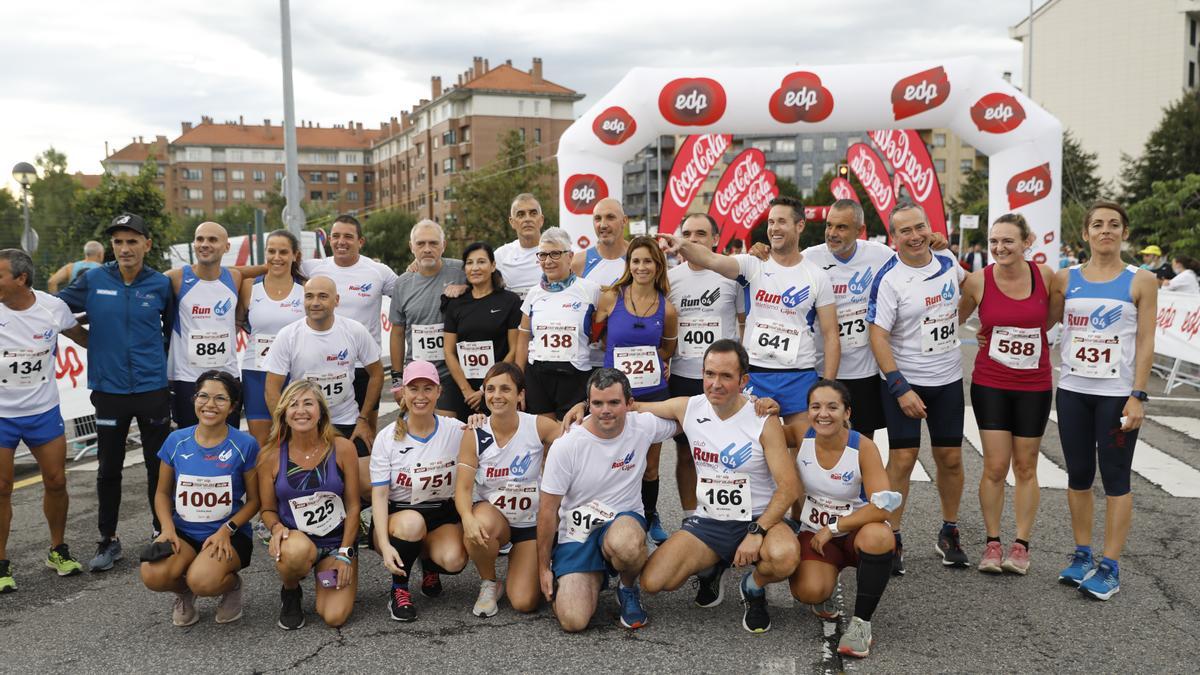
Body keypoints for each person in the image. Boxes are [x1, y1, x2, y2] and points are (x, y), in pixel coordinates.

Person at [637, 340, 801, 634]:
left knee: (785, 556)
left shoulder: (762, 418)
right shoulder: (689, 407)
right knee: (653, 582)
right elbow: (631, 406)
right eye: (710, 374)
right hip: (711, 521)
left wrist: (757, 532)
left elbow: (789, 488)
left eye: (726, 376)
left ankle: (753, 587)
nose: (716, 383)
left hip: (758, 518)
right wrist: (582, 406)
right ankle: (713, 567)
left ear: (743, 380)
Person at [1049, 201, 1156, 600]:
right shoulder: (1065, 278)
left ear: (1124, 232)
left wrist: (1138, 396)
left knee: (1115, 478)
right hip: (1074, 391)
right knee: (1077, 475)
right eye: (1098, 224)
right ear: (1086, 233)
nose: (1106, 230)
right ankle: (1082, 554)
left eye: (1114, 224)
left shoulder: (1141, 279)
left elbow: (1146, 341)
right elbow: (1042, 324)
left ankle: (1109, 566)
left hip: (1116, 396)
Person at [58, 213, 175, 572]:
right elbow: (57, 310)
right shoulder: (93, 278)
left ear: (147, 244)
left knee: (159, 465)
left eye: (132, 241)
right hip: (108, 390)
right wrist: (87, 340)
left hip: (152, 388)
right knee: (109, 467)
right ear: (112, 246)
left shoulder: (159, 285)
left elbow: (171, 330)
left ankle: (161, 531)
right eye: (118, 242)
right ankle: (108, 539)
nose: (125, 248)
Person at [658, 195, 840, 423]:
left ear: (799, 225)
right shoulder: (752, 264)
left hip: (799, 374)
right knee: (756, 451)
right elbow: (711, 259)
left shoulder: (817, 276)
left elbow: (831, 334)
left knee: (802, 450)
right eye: (771, 222)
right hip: (755, 373)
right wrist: (683, 245)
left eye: (782, 222)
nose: (774, 228)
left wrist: (828, 386)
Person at [537, 368, 680, 632]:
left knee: (625, 544)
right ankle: (588, 572)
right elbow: (547, 510)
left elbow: (691, 414)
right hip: (578, 533)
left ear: (629, 403)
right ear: (587, 404)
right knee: (573, 621)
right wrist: (543, 567)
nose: (606, 410)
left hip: (622, 522)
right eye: (597, 403)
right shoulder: (568, 444)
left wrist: (748, 405)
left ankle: (626, 588)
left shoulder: (643, 425)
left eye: (614, 402)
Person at [867, 202, 968, 574]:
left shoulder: (946, 260)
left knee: (951, 459)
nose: (914, 236)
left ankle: (949, 530)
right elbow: (877, 335)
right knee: (904, 460)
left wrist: (963, 321)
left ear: (929, 228)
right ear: (893, 238)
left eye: (919, 227)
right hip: (905, 381)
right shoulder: (889, 278)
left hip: (948, 379)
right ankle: (892, 536)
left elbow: (969, 290)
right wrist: (900, 387)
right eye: (905, 231)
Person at [958, 214, 1054, 575]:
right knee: (995, 466)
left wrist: (1020, 331)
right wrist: (986, 332)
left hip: (1034, 384)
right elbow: (958, 316)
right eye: (994, 241)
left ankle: (1022, 545)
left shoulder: (1045, 277)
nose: (999, 248)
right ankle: (992, 543)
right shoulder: (978, 280)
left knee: (1026, 466)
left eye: (1008, 241)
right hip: (991, 383)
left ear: (1027, 241)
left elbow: (1051, 318)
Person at [0, 249, 90, 591]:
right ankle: (1, 563)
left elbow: (82, 337)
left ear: (21, 279)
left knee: (56, 481)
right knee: (3, 489)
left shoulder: (53, 307)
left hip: (42, 411)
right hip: (2, 415)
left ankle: (57, 549)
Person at [139, 371, 259, 626]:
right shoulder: (176, 440)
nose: (210, 405)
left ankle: (231, 585)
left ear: (233, 406)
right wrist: (167, 529)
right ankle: (184, 593)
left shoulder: (245, 444)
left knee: (203, 580)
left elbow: (254, 501)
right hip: (183, 533)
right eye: (203, 396)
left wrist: (227, 530)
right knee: (152, 574)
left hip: (227, 535)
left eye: (220, 399)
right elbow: (161, 492)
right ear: (194, 399)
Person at [788, 380, 896, 660]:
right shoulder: (801, 433)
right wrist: (760, 407)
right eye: (816, 407)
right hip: (815, 532)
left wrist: (833, 527)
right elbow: (764, 435)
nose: (823, 414)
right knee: (809, 591)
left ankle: (861, 624)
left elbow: (883, 509)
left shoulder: (863, 447)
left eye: (832, 407)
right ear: (808, 411)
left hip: (854, 532)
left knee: (880, 536)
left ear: (847, 413)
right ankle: (824, 584)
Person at [454, 362, 562, 617]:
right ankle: (489, 582)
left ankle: (541, 563)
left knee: (524, 603)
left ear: (520, 394)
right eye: (490, 389)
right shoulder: (475, 432)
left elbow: (577, 445)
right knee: (478, 525)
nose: (497, 396)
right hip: (494, 518)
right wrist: (467, 518)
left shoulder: (538, 426)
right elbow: (462, 488)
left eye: (505, 389)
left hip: (529, 524)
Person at [594, 235, 678, 544]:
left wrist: (658, 363)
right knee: (612, 460)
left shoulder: (667, 309)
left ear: (658, 266)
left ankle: (650, 514)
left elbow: (668, 349)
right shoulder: (610, 297)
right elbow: (597, 336)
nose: (641, 267)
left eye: (648, 261)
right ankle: (610, 516)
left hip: (653, 394)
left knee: (650, 466)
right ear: (628, 265)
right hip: (613, 394)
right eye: (636, 261)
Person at [257, 380, 360, 630]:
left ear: (321, 411)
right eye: (293, 404)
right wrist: (276, 528)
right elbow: (268, 510)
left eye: (308, 403)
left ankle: (322, 577)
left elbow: (354, 506)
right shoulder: (270, 456)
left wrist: (345, 554)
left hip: (336, 545)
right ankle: (291, 590)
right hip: (298, 542)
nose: (300, 410)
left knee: (333, 615)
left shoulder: (343, 448)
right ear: (284, 413)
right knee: (295, 553)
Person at [369, 360, 467, 621]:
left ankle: (429, 563)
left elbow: (494, 434)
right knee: (412, 524)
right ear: (402, 393)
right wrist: (385, 543)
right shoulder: (387, 437)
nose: (420, 396)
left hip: (439, 513)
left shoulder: (456, 429)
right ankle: (398, 589)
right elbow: (378, 496)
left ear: (438, 392)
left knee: (454, 560)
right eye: (414, 389)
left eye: (428, 388)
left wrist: (480, 421)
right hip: (399, 516)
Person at [666, 213, 744, 530]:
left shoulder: (730, 274)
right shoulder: (670, 278)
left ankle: (728, 516)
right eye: (687, 232)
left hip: (723, 378)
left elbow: (744, 322)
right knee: (686, 453)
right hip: (686, 374)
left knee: (729, 452)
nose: (693, 239)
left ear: (715, 239)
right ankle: (691, 518)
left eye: (701, 233)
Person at [263, 276, 383, 481]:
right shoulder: (288, 335)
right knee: (308, 483)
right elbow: (271, 389)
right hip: (306, 424)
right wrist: (286, 426)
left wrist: (363, 419)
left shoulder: (354, 330)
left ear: (336, 300)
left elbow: (377, 373)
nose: (315, 302)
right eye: (309, 296)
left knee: (365, 484)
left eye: (322, 296)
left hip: (347, 421)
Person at [802, 199, 895, 438]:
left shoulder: (881, 255)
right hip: (821, 370)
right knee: (819, 444)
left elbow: (914, 266)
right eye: (829, 225)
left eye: (841, 227)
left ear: (859, 230)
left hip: (864, 373)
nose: (832, 233)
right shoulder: (808, 259)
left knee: (861, 444)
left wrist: (933, 244)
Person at [302, 214, 398, 433]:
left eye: (348, 236)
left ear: (360, 241)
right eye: (335, 236)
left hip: (365, 367)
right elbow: (274, 267)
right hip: (324, 366)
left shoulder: (379, 272)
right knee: (320, 432)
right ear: (329, 240)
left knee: (365, 433)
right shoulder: (312, 268)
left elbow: (409, 294)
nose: (340, 241)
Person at [515, 227, 601, 420]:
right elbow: (523, 339)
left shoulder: (591, 290)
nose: (548, 261)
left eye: (555, 254)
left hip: (576, 375)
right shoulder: (534, 293)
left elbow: (604, 332)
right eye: (543, 255)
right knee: (544, 436)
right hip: (538, 375)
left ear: (570, 256)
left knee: (573, 437)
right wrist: (518, 383)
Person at [166, 222, 246, 428]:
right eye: (200, 239)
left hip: (227, 376)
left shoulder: (234, 277)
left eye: (212, 239)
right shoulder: (176, 278)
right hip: (187, 378)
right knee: (190, 441)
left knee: (228, 441)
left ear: (227, 247)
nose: (204, 244)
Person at [389, 220, 467, 418]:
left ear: (444, 245)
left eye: (433, 243)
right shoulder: (402, 283)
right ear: (411, 247)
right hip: (417, 371)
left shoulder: (462, 271)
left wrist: (466, 288)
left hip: (452, 372)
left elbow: (490, 285)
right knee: (416, 432)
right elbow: (397, 332)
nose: (427, 249)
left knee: (447, 430)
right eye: (421, 244)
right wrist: (397, 380)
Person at [238, 229, 307, 450]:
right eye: (271, 251)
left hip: (294, 374)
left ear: (295, 255)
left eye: (283, 252)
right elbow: (239, 321)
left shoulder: (306, 289)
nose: (277, 257)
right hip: (257, 373)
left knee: (295, 439)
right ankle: (262, 486)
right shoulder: (249, 286)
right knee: (262, 444)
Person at [442, 242, 522, 418]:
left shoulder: (510, 301)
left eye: (481, 262)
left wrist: (486, 389)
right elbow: (448, 351)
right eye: (470, 263)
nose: (475, 268)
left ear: (493, 266)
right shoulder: (455, 304)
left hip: (498, 389)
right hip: (463, 388)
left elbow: (514, 349)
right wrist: (467, 390)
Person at [572, 198, 631, 370]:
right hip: (587, 362)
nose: (603, 224)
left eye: (610, 217)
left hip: (627, 360)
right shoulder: (579, 262)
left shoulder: (639, 260)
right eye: (598, 219)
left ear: (624, 221)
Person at [494, 193, 545, 298]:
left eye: (533, 213)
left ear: (541, 220)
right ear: (512, 222)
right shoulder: (500, 255)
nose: (527, 219)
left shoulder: (561, 251)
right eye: (521, 214)